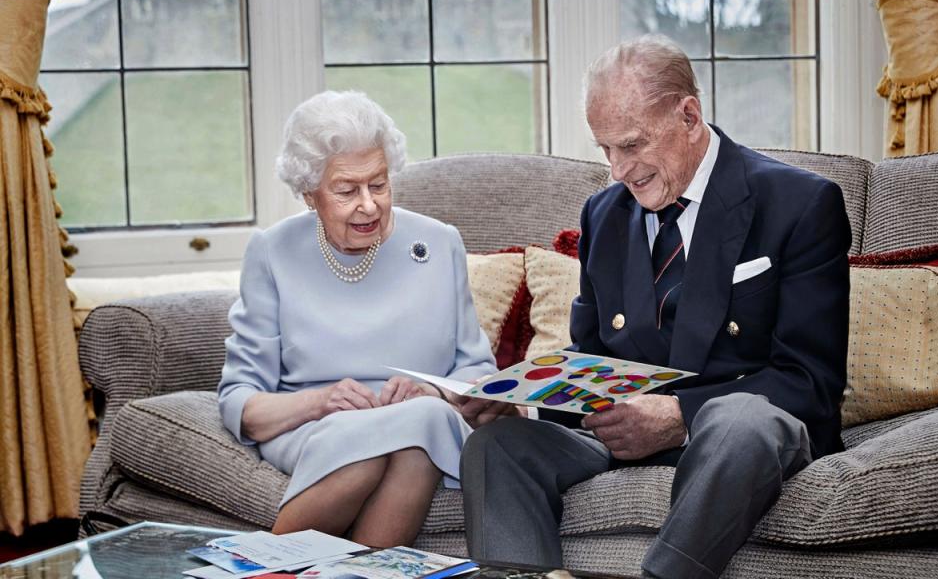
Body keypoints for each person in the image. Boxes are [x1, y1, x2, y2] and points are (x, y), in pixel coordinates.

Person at [458, 35, 851, 579]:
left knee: (741, 421)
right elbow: (592, 356)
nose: (618, 170)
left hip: (735, 439)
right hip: (624, 436)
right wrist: (525, 403)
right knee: (498, 446)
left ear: (689, 116)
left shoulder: (800, 204)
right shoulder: (604, 214)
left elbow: (810, 382)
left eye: (632, 145)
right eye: (606, 150)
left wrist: (678, 417)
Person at [218, 90, 496, 547]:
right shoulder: (273, 251)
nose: (368, 205)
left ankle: (261, 569)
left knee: (417, 428)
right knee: (385, 445)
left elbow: (478, 371)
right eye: (346, 190)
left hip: (421, 419)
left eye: (379, 184)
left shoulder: (439, 242)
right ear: (310, 195)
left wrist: (432, 389)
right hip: (312, 425)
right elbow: (241, 401)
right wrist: (320, 402)